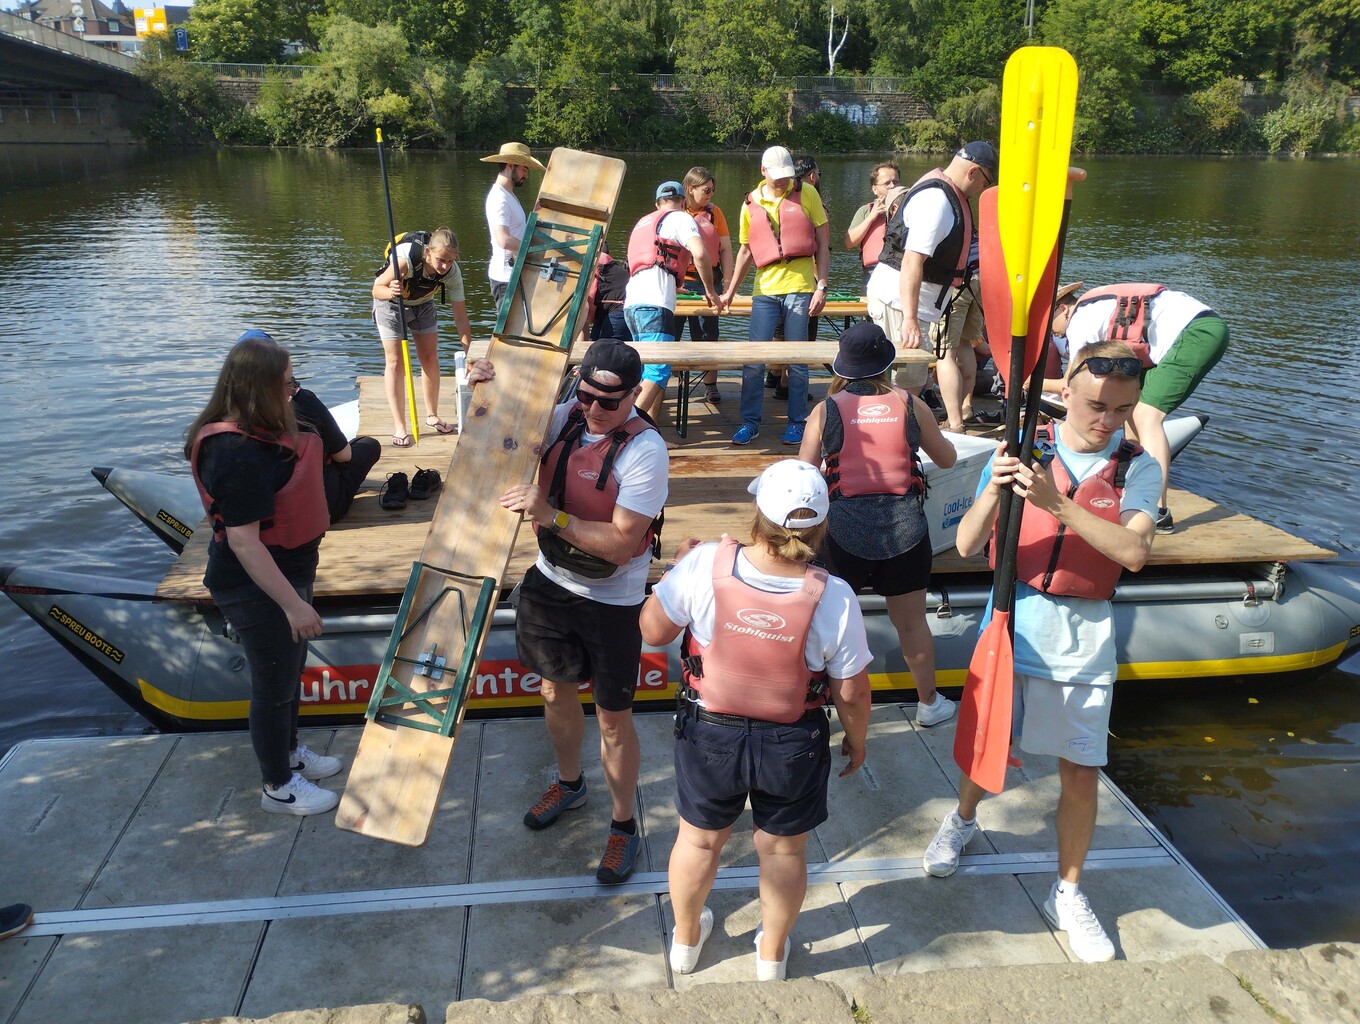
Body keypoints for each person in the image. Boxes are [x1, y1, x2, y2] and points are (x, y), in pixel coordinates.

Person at [924, 339, 1160, 963]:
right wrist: (992, 489)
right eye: (1095, 404)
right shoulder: (1021, 450)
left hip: (1084, 645)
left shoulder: (1139, 467)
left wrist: (1056, 505)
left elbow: (1133, 553)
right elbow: (971, 545)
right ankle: (963, 821)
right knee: (983, 754)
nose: (1106, 419)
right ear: (1067, 393)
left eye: (1121, 408)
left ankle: (1068, 891)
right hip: (1009, 632)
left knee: (1080, 775)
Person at [640, 459, 871, 981]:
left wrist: (678, 571)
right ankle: (771, 956)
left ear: (757, 514)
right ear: (821, 524)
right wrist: (857, 740)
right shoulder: (834, 595)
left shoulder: (702, 564)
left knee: (698, 840)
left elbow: (653, 630)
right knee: (784, 849)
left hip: (709, 732)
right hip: (792, 739)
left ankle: (685, 941)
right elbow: (852, 690)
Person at [499, 340, 669, 885]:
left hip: (612, 601)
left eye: (607, 403)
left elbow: (623, 545)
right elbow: (491, 436)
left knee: (614, 722)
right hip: (551, 583)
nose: (592, 410)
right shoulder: (565, 417)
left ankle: (623, 827)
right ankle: (570, 785)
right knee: (553, 690)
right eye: (586, 396)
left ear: (633, 396)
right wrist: (480, 387)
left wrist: (550, 515)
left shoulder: (646, 451)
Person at [186, 331, 342, 816]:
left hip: (289, 569)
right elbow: (244, 541)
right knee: (273, 686)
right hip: (256, 586)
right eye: (287, 383)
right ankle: (278, 786)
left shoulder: (260, 434)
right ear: (260, 388)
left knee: (289, 674)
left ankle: (289, 753)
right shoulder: (236, 456)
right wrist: (292, 605)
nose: (293, 392)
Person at [797, 322, 958, 725]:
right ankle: (929, 702)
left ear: (843, 367)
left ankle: (813, 701)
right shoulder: (910, 404)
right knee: (911, 624)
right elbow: (948, 460)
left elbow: (803, 475)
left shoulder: (825, 410)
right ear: (887, 363)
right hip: (905, 531)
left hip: (842, 533)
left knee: (828, 621)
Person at [1047, 282, 1230, 533]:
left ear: (1062, 308)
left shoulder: (1079, 320)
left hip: (1197, 332)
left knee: (1147, 415)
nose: (1053, 335)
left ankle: (1158, 511)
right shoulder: (1092, 310)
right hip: (1186, 332)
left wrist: (1026, 384)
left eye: (1049, 325)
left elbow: (1072, 382)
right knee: (1131, 410)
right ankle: (1131, 488)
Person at [866, 142, 996, 407]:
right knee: (907, 380)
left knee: (910, 380)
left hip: (910, 303)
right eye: (986, 181)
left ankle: (895, 431)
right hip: (899, 304)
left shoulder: (946, 192)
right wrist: (911, 318)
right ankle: (887, 434)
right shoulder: (938, 201)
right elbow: (912, 261)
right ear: (973, 173)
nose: (984, 189)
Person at [722, 146, 831, 447]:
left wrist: (821, 285)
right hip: (764, 290)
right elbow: (746, 250)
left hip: (799, 285)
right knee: (754, 359)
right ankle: (750, 422)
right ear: (763, 172)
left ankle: (797, 422)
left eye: (787, 176)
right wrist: (730, 291)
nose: (783, 182)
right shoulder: (749, 204)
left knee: (797, 359)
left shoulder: (807, 193)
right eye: (778, 176)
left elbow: (822, 241)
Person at [625, 180, 721, 423]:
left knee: (646, 370)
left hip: (632, 304)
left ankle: (646, 429)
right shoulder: (681, 218)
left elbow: (650, 263)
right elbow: (699, 253)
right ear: (682, 201)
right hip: (654, 307)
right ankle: (621, 430)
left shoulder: (643, 222)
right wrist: (710, 290)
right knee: (658, 372)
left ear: (657, 203)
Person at [370, 227, 473, 446]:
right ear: (427, 252)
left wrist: (469, 355)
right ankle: (400, 426)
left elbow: (461, 318)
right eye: (441, 260)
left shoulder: (452, 273)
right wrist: (391, 291)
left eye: (450, 261)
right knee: (395, 362)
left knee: (429, 357)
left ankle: (432, 415)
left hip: (423, 303)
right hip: (390, 304)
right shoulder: (405, 259)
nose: (445, 267)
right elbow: (377, 288)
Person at [258, 347, 382, 525]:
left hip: (266, 517)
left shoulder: (231, 421)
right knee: (368, 445)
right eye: (290, 383)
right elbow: (344, 455)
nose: (295, 388)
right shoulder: (304, 402)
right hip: (322, 509)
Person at [677, 167, 734, 405]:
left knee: (709, 336)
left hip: (709, 282)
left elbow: (726, 249)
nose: (711, 194)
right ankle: (673, 383)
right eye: (706, 190)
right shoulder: (675, 211)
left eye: (713, 190)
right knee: (671, 335)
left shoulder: (715, 213)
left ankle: (710, 385)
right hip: (679, 283)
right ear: (690, 189)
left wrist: (729, 284)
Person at [927, 235, 993, 431]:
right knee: (965, 342)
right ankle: (966, 407)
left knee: (944, 352)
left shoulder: (945, 208)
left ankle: (955, 422)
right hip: (980, 274)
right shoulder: (964, 213)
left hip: (956, 281)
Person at [482, 141, 546, 310]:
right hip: (505, 278)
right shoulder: (499, 198)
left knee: (520, 330)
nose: (526, 174)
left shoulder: (508, 195)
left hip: (515, 273)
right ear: (510, 166)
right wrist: (537, 250)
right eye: (524, 169)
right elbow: (504, 240)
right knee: (507, 334)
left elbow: (516, 232)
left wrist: (535, 214)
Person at [844, 162, 901, 294]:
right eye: (887, 183)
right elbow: (849, 243)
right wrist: (871, 217)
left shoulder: (908, 210)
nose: (892, 186)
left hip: (900, 274)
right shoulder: (865, 211)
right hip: (871, 274)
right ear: (874, 189)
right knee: (870, 313)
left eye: (896, 182)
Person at [589, 242, 631, 342]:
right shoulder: (611, 268)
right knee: (595, 344)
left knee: (607, 345)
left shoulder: (594, 266)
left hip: (618, 308)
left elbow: (588, 298)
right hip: (610, 308)